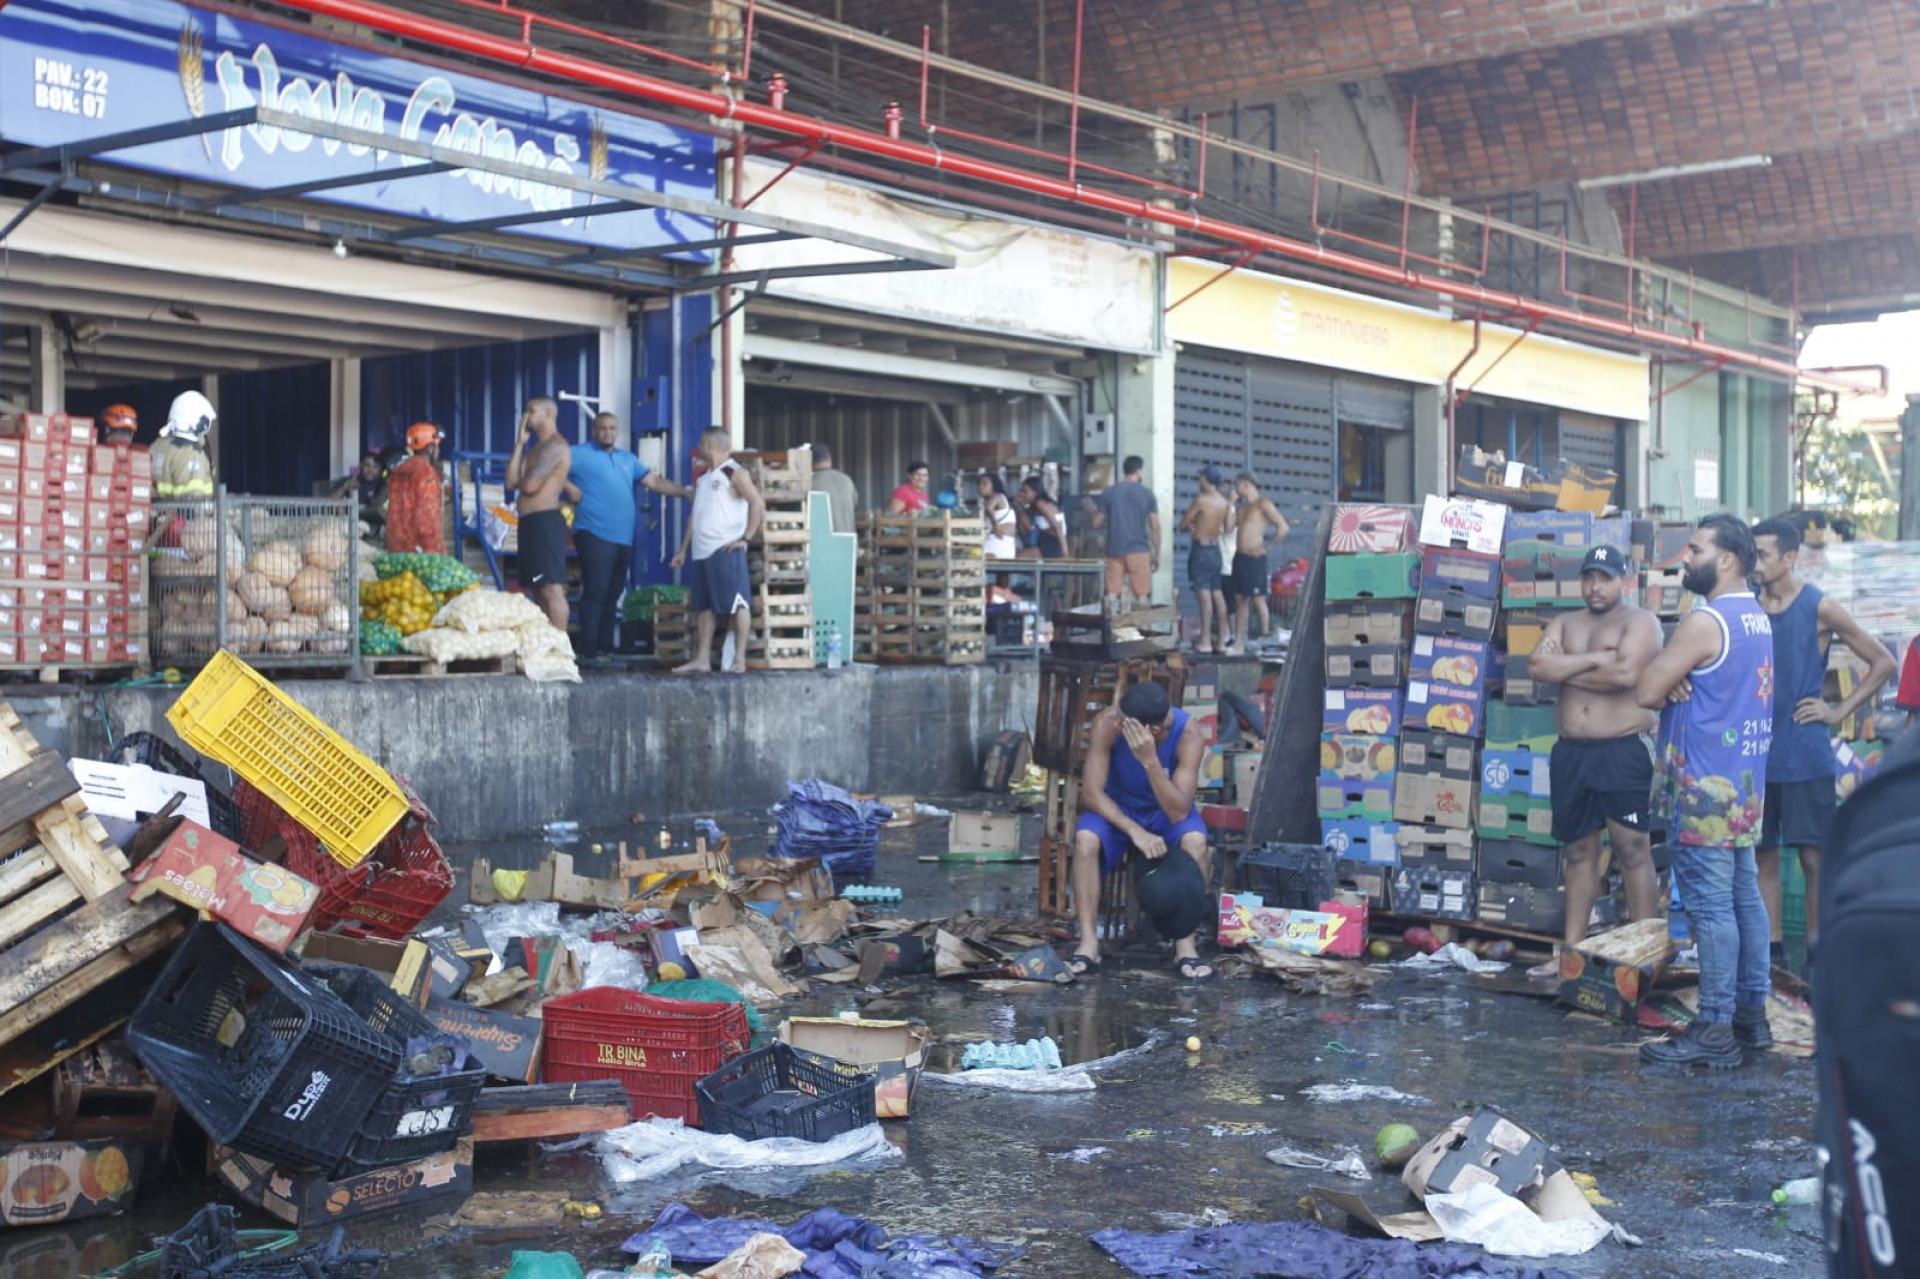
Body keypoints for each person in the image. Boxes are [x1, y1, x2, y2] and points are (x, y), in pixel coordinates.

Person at [1634, 514, 1774, 1068]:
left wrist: (1670, 679)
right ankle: (1751, 1017)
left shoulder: (1706, 621)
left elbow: (1647, 688)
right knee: (1744, 901)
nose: (1685, 558)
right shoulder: (1757, 617)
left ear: (1728, 559)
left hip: (1704, 786)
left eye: (1695, 549)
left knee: (1713, 909)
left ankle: (1714, 1026)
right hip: (1743, 783)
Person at [1750, 516, 1894, 970]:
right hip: (1756, 752)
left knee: (1813, 857)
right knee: (1762, 854)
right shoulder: (1746, 606)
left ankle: (1817, 955)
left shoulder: (1819, 606)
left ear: (1790, 558)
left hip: (1804, 751)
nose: (1755, 563)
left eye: (1763, 555)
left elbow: (1883, 662)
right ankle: (1772, 957)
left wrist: (1837, 711)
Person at [1520, 544, 1664, 979]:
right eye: (1588, 577)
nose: (1594, 586)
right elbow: (1538, 667)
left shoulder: (1641, 622)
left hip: (1621, 749)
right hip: (1571, 753)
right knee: (1579, 852)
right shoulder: (1564, 621)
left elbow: (1627, 675)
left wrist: (1566, 666)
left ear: (1625, 580)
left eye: (1604, 577)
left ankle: (1645, 956)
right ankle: (1571, 955)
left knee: (1632, 849)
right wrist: (1595, 659)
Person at [1067, 681, 1214, 981]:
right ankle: (1088, 942)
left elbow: (1178, 810)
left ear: (1153, 731)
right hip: (1117, 810)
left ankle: (1185, 945)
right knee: (1085, 842)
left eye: (1126, 724)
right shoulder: (1108, 723)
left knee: (1196, 842)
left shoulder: (1189, 733)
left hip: (1165, 810)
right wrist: (1134, 830)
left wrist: (1150, 760)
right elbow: (1092, 794)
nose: (1118, 723)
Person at [564, 412, 691, 666]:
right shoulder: (577, 453)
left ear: (617, 431)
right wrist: (569, 488)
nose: (608, 432)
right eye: (602, 428)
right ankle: (588, 652)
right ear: (594, 430)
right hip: (593, 533)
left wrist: (685, 493)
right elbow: (550, 469)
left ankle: (605, 650)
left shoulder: (627, 459)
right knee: (596, 592)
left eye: (612, 428)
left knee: (613, 593)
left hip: (623, 538)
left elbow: (654, 481)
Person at [671, 426, 765, 675]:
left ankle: (740, 660)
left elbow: (757, 503)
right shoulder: (703, 478)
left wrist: (745, 538)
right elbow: (696, 515)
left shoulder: (735, 472)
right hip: (701, 552)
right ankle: (702, 659)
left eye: (701, 443)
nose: (699, 448)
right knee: (705, 606)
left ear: (709, 445)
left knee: (739, 603)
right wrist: (683, 550)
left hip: (725, 549)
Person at [504, 396, 571, 631]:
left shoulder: (555, 445)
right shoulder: (533, 450)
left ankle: (561, 647)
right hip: (529, 523)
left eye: (531, 411)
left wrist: (524, 479)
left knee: (551, 588)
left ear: (548, 415)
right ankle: (546, 645)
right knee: (537, 587)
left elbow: (531, 486)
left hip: (545, 521)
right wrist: (520, 443)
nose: (526, 416)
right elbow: (511, 481)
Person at [1088, 455, 1159, 611]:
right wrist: (1157, 553)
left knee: (1111, 595)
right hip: (1139, 550)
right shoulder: (1147, 494)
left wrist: (1091, 510)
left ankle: (1109, 631)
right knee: (1142, 596)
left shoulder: (1109, 492)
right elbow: (1155, 526)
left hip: (1115, 550)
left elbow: (1096, 523)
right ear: (1139, 471)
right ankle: (1143, 632)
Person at [1228, 472, 1287, 653]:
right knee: (1240, 600)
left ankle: (1265, 639)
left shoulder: (1263, 504)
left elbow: (1283, 527)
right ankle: (1239, 642)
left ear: (1246, 485)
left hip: (1255, 558)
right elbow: (1228, 528)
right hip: (1240, 557)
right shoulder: (1242, 508)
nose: (1235, 489)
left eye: (1237, 485)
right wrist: (1230, 504)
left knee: (1258, 599)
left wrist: (1267, 547)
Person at [1179, 465, 1233, 653]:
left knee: (1204, 596)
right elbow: (1227, 528)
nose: (1198, 481)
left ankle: (1205, 640)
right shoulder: (1224, 503)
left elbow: (1184, 523)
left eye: (1200, 477)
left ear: (1206, 479)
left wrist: (1193, 528)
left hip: (1201, 550)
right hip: (1214, 550)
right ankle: (1222, 641)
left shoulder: (1201, 500)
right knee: (1217, 593)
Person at [385, 422, 446, 554]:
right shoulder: (426, 474)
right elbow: (427, 515)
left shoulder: (397, 473)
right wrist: (434, 548)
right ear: (429, 448)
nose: (439, 451)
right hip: (420, 549)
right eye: (437, 447)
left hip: (396, 545)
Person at [152, 390, 216, 499]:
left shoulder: (157, 446)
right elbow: (193, 499)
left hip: (160, 514)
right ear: (196, 422)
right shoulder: (189, 452)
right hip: (183, 515)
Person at [810, 443, 858, 534]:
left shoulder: (810, 483)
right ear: (829, 459)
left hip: (822, 544)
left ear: (809, 462)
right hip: (849, 542)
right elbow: (855, 503)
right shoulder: (846, 480)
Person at [1016, 477, 1066, 559]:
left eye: (1025, 492)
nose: (1021, 495)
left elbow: (1058, 528)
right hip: (1042, 541)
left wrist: (1064, 554)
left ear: (1035, 492)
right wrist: (1016, 506)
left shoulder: (1041, 504)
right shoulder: (1034, 507)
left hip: (1051, 544)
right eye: (1020, 491)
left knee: (1017, 558)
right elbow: (1022, 517)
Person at [978, 474, 1019, 558]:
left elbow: (989, 508)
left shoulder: (997, 496)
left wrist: (995, 524)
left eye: (985, 484)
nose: (980, 487)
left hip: (995, 548)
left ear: (994, 486)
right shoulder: (1002, 500)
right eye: (979, 484)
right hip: (1007, 550)